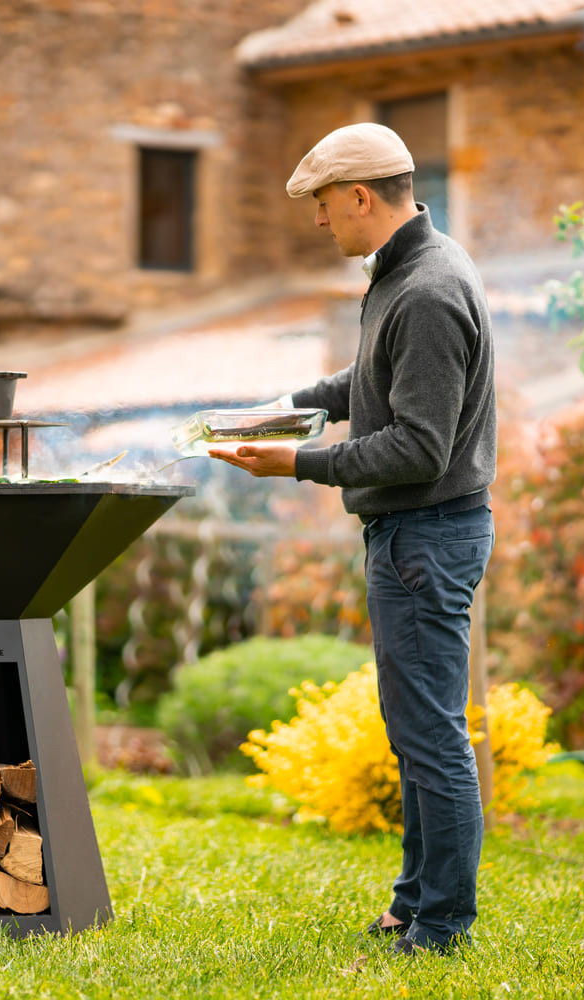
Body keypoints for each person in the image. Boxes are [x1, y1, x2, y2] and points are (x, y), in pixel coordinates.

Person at [210, 122, 496, 956]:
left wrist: (296, 461)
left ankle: (442, 925)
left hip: (425, 535)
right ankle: (414, 903)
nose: (318, 221)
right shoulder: (407, 270)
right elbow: (371, 377)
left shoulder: (429, 291)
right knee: (414, 728)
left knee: (431, 736)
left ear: (362, 197)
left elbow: (418, 446)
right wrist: (291, 405)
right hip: (415, 535)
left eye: (324, 204)